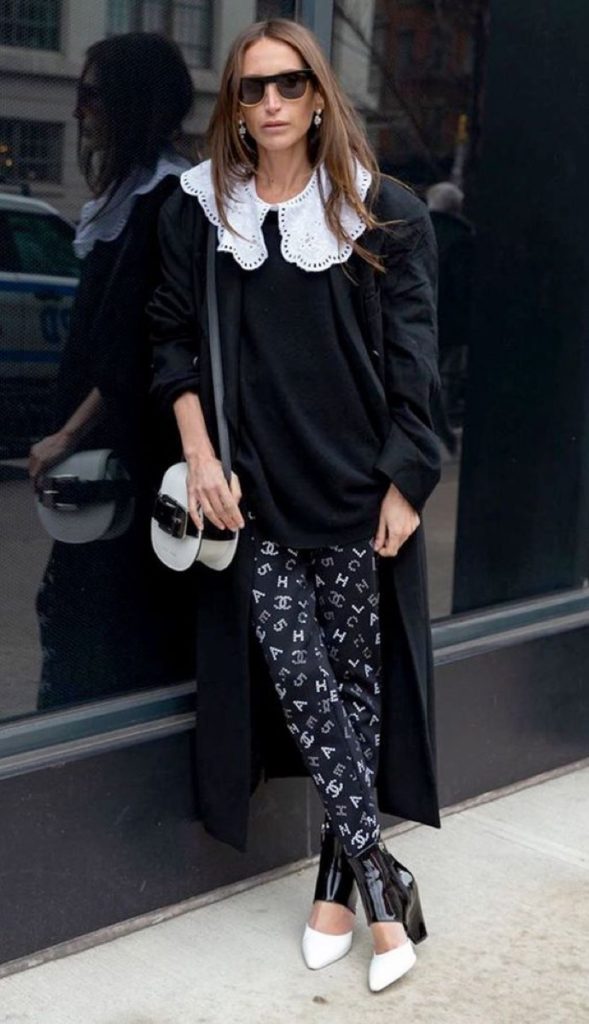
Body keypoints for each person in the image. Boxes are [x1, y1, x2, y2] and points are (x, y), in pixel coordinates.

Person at [148, 18, 442, 994]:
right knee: (307, 690)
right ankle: (387, 896)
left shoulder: (383, 212)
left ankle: (334, 892)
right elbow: (171, 341)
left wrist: (406, 479)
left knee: (353, 697)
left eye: (287, 84)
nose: (269, 102)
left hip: (356, 498)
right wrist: (199, 453)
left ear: (317, 96)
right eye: (251, 88)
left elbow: (415, 359)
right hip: (256, 505)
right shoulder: (202, 210)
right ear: (234, 105)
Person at [28, 33, 197, 707]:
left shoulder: (166, 200)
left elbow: (139, 342)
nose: (80, 112)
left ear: (133, 101)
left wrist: (68, 434)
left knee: (106, 626)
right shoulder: (131, 197)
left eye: (93, 95)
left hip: (129, 453)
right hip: (111, 452)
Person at [426, 181, 476, 454]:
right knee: (447, 378)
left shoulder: (413, 229)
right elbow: (463, 287)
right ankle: (443, 435)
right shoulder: (462, 237)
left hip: (416, 318)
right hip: (451, 322)